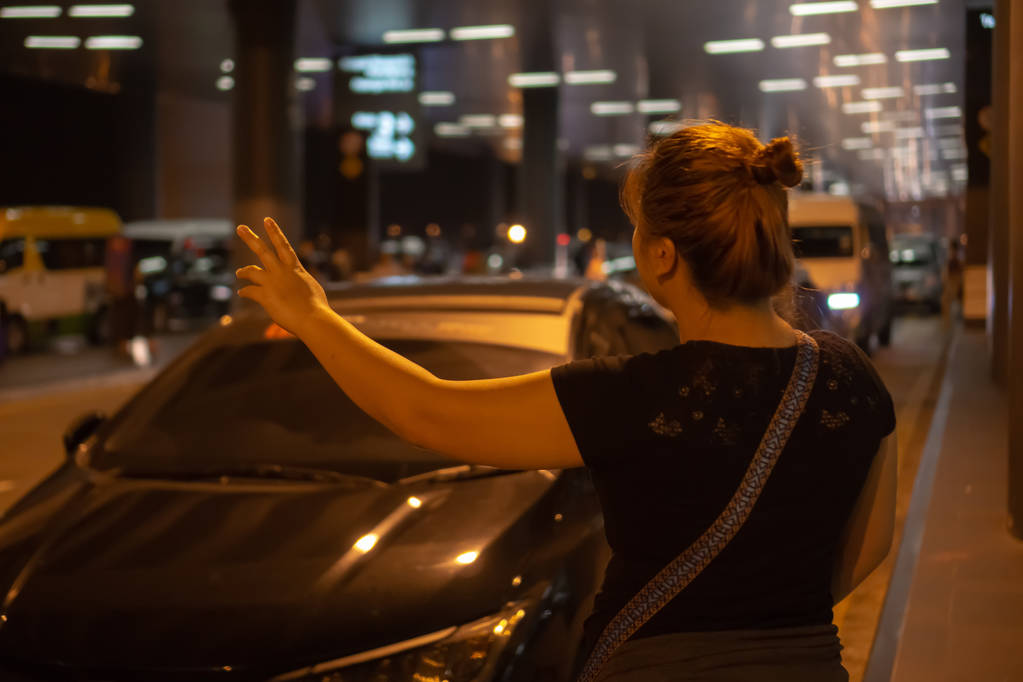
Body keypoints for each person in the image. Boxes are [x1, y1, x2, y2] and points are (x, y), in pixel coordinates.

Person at [236, 122, 897, 682]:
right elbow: (869, 545)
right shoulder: (850, 377)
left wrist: (315, 318)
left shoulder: (630, 394)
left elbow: (427, 409)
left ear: (662, 256)